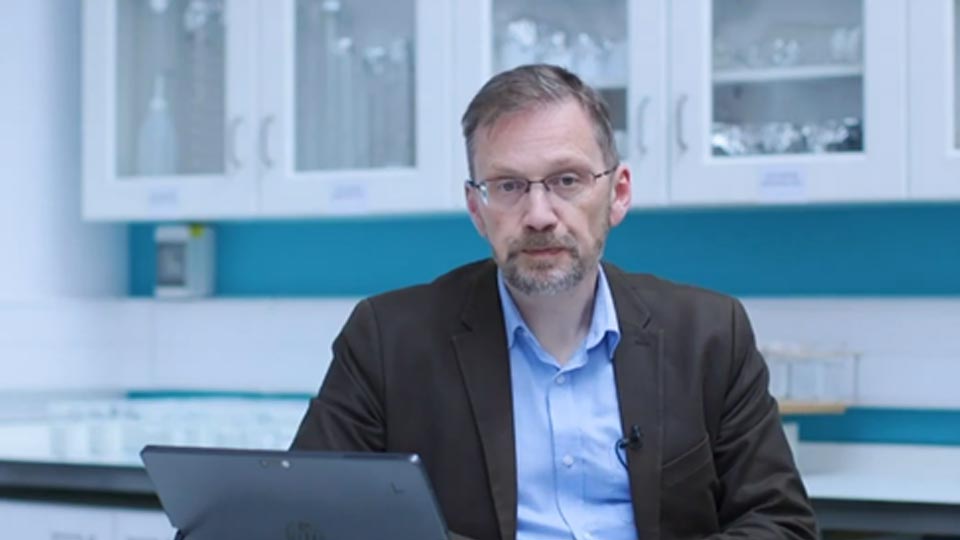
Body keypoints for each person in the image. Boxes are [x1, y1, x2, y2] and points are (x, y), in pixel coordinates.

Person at [291, 64, 817, 540]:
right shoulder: (387, 339)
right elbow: (308, 519)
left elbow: (780, 524)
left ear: (619, 193)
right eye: (509, 186)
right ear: (477, 209)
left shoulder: (709, 334)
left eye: (567, 180)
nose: (539, 214)